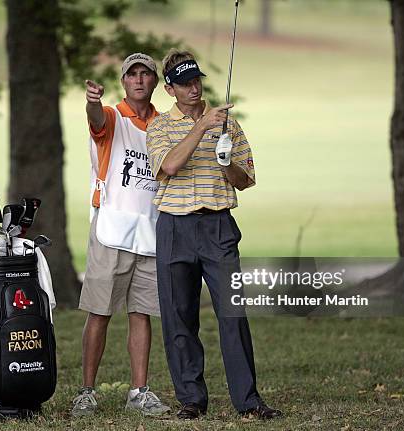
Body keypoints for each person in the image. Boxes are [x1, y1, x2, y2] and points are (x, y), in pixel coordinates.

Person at [145, 49, 283, 420]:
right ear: (170, 88)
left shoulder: (229, 125)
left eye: (197, 81)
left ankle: (248, 401)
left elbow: (246, 179)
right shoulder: (160, 126)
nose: (194, 88)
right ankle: (192, 400)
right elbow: (170, 166)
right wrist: (202, 126)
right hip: (174, 226)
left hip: (218, 226)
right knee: (179, 317)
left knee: (232, 314)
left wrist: (226, 164)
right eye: (185, 83)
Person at [71, 53, 171, 417]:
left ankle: (139, 391)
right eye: (133, 74)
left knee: (141, 313)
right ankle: (86, 391)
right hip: (111, 229)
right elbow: (95, 121)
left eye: (146, 74)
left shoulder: (164, 124)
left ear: (155, 82)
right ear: (124, 81)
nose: (140, 80)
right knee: (99, 313)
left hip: (150, 231)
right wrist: (91, 103)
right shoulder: (112, 116)